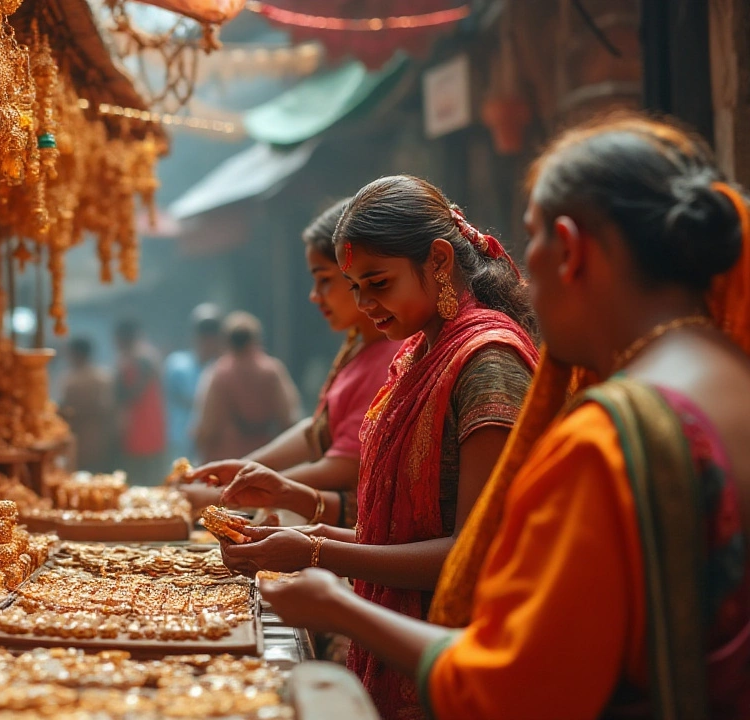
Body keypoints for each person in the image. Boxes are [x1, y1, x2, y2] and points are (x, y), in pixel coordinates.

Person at [258, 116, 750, 719]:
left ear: (568, 248)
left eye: (531, 238)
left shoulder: (609, 434)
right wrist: (315, 537)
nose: (515, 263)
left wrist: (336, 605)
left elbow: (513, 683)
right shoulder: (729, 376)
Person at [219, 175, 540, 719]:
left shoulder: (488, 362)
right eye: (354, 285)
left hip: (458, 661)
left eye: (378, 283)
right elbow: (406, 532)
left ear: (438, 260)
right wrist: (310, 532)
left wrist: (318, 553)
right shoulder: (415, 354)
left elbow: (471, 553)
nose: (364, 303)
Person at [183, 199, 399, 530]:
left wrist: (254, 486)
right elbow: (316, 430)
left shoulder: (391, 355)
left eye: (325, 279)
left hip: (349, 526)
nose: (314, 295)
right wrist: (245, 470)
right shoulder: (356, 348)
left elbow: (347, 460)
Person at [192, 311, 302, 463]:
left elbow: (206, 429)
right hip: (262, 465)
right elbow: (289, 420)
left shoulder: (218, 374)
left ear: (226, 341)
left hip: (224, 465)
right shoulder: (272, 372)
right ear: (257, 340)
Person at [163, 305, 223, 461]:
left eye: (212, 333)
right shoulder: (177, 365)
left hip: (214, 446)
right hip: (181, 443)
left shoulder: (224, 369)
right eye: (203, 332)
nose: (208, 338)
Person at [112, 318, 168, 484]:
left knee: (144, 479)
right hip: (145, 430)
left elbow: (130, 394)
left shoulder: (139, 359)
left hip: (141, 429)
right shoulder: (144, 357)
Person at [58, 337, 115, 472]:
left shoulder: (70, 380)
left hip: (86, 435)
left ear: (76, 354)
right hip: (96, 437)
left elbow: (65, 409)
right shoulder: (103, 377)